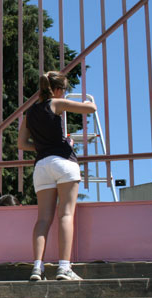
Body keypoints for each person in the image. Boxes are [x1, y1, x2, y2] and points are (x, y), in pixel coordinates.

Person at [17, 71, 97, 281]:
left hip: (42, 165)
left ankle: (37, 267)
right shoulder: (57, 103)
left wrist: (43, 146)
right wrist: (66, 102)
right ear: (59, 89)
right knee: (66, 215)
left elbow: (21, 144)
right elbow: (91, 108)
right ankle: (64, 267)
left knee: (43, 219)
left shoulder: (30, 113)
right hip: (63, 162)